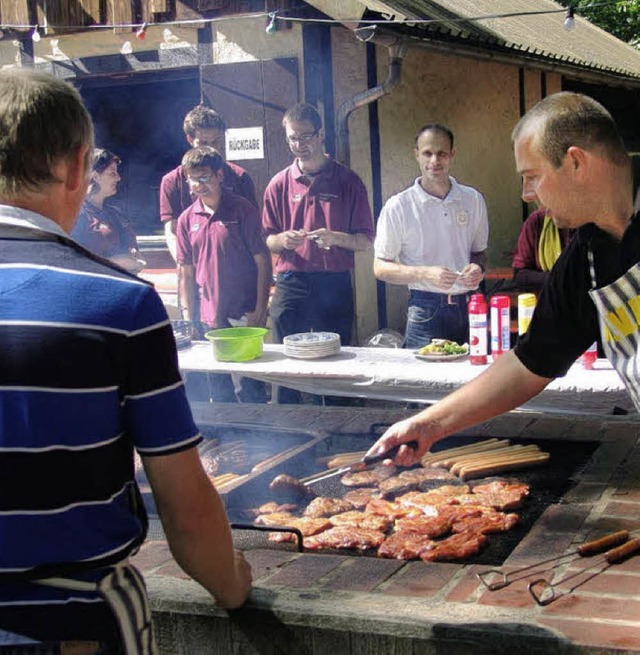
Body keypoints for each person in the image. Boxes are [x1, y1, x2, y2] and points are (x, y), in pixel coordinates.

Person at [0, 69, 251, 654]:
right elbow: (183, 506)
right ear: (78, 165)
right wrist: (233, 585)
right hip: (76, 623)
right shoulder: (119, 303)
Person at [366, 91, 637, 467]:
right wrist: (428, 424)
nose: (527, 194)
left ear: (576, 162)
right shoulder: (585, 260)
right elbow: (529, 362)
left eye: (532, 177)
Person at [262, 102, 374, 403]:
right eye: (293, 138)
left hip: (333, 281)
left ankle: (342, 429)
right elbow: (267, 241)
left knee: (335, 361)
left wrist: (336, 237)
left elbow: (365, 241)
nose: (300, 145)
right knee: (287, 360)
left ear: (321, 134)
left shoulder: (348, 181)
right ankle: (292, 431)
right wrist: (283, 239)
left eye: (306, 136)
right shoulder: (278, 184)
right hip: (291, 281)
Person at [374, 124, 489, 349]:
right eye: (427, 153)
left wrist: (478, 268)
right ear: (416, 154)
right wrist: (425, 273)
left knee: (470, 378)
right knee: (421, 382)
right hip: (424, 307)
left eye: (442, 153)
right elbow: (380, 268)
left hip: (467, 306)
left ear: (452, 154)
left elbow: (480, 253)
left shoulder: (473, 199)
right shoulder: (399, 206)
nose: (434, 160)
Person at [176, 146, 271, 403]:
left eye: (204, 177)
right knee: (219, 393)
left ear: (219, 175)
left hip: (243, 314)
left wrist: (260, 309)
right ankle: (227, 442)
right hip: (210, 319)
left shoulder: (243, 209)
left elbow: (263, 260)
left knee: (251, 389)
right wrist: (188, 317)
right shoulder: (186, 219)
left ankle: (260, 439)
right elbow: (185, 271)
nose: (198, 185)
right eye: (192, 179)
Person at [160, 104, 257, 261]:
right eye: (204, 143)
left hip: (237, 267)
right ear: (190, 139)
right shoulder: (171, 181)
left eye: (215, 142)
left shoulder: (240, 177)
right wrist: (185, 265)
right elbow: (172, 231)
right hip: (194, 265)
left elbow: (254, 229)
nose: (211, 150)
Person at [71, 148, 145, 274]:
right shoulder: (76, 215)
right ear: (95, 176)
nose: (118, 178)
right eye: (112, 173)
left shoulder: (116, 214)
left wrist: (133, 254)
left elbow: (133, 250)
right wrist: (114, 262)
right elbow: (69, 262)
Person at [511, 203, 574, 290]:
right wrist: (557, 278)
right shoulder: (537, 220)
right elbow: (519, 275)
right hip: (547, 295)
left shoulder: (591, 222)